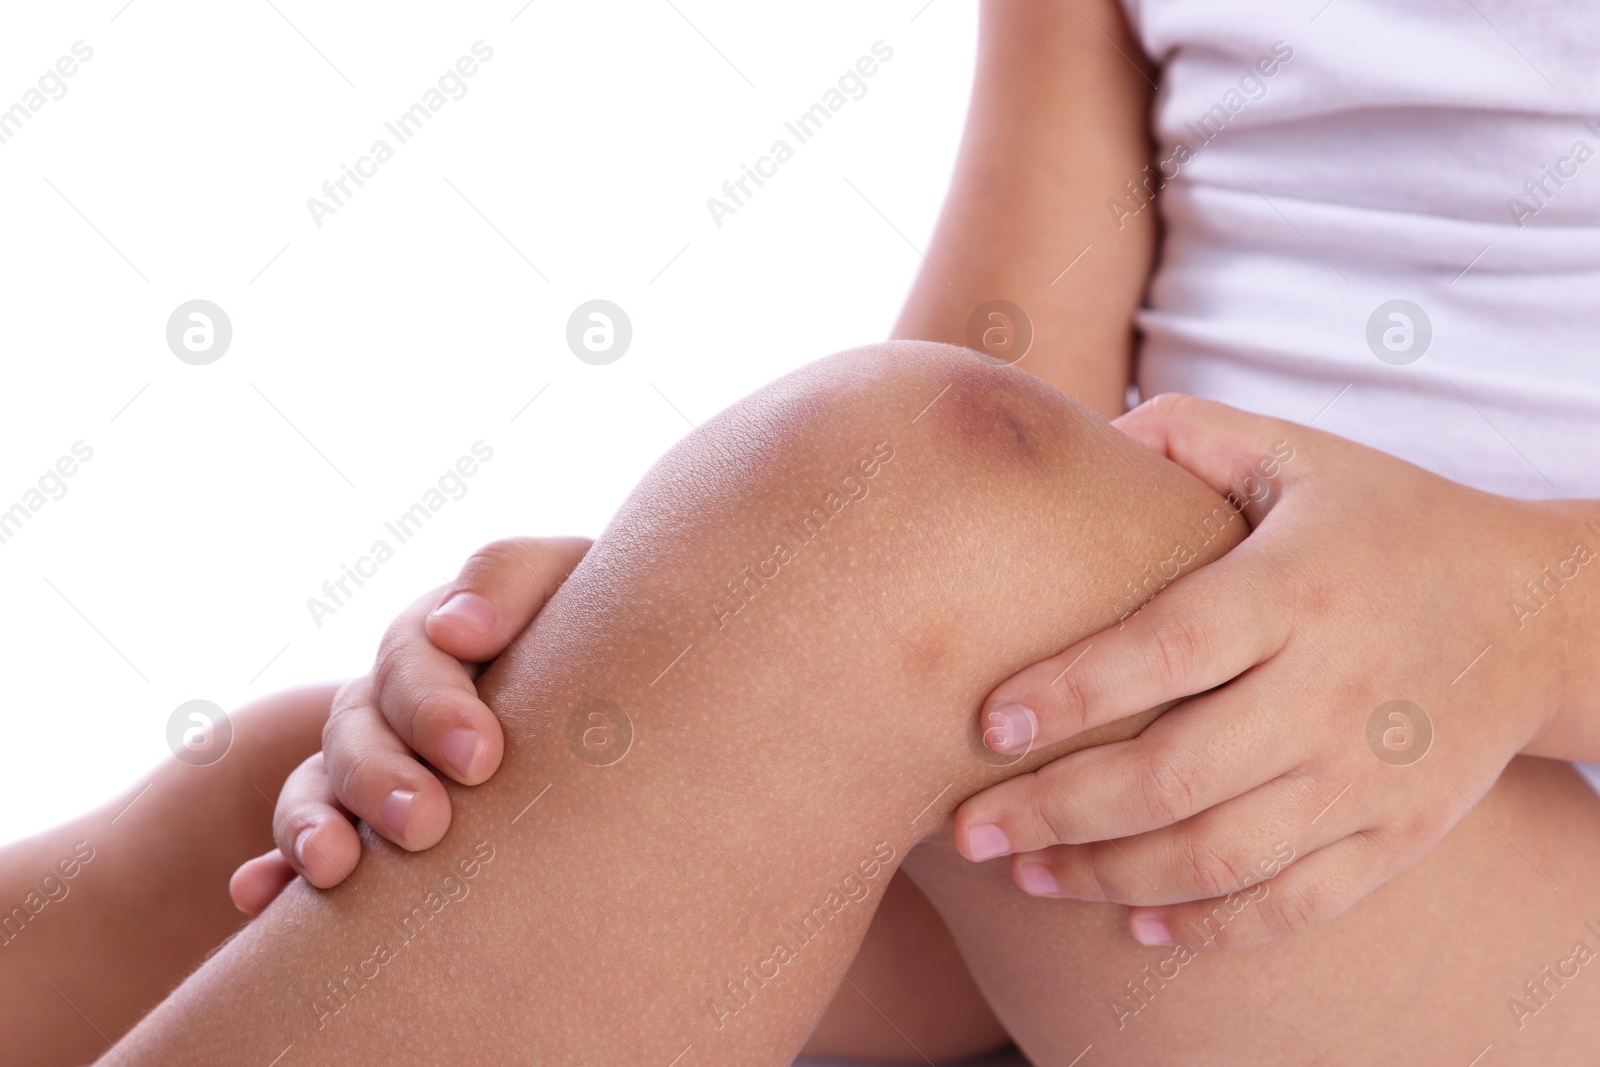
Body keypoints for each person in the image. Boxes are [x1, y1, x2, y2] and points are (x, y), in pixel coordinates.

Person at [7, 3, 1600, 1064]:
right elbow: (995, 386)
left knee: (891, 510)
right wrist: (699, 621)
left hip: (1545, 835)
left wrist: (1518, 624)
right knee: (329, 799)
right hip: (1175, 712)